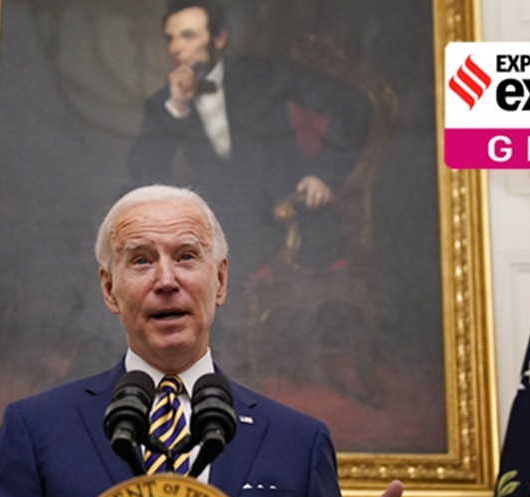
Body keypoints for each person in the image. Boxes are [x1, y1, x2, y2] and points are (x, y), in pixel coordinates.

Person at [0, 185, 462, 497]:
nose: (166, 280)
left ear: (222, 280)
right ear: (109, 289)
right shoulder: (36, 429)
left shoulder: (298, 440)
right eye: (142, 260)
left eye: (187, 256)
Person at [125, 0, 374, 290]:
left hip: (289, 219)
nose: (176, 47)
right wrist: (176, 108)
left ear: (219, 38)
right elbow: (143, 174)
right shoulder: (164, 103)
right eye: (171, 38)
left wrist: (323, 174)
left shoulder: (266, 76)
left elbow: (353, 105)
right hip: (219, 226)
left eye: (188, 35)